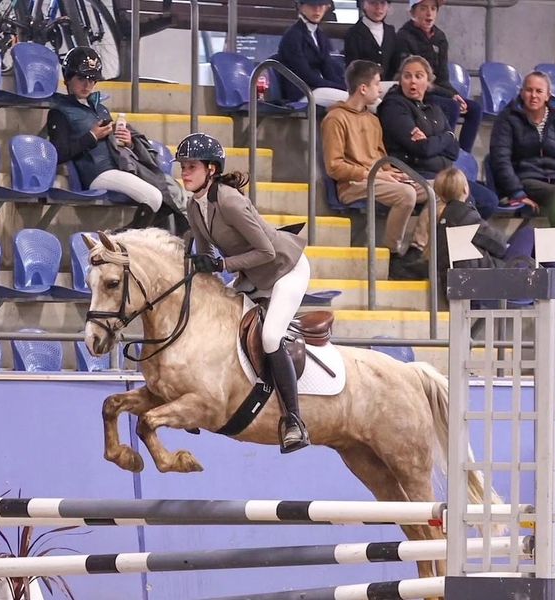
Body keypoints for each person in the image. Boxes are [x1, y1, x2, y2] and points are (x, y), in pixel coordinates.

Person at [175, 133, 311, 454]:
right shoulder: (194, 205)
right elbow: (205, 252)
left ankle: (294, 421)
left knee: (270, 337)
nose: (184, 173)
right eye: (182, 167)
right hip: (252, 274)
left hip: (284, 269)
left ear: (211, 170)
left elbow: (265, 250)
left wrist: (221, 263)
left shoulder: (229, 200)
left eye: (190, 167)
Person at [47, 47, 188, 233]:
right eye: (81, 78)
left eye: (92, 79)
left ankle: (143, 244)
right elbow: (58, 153)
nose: (87, 85)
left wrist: (127, 141)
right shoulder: (59, 111)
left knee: (169, 197)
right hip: (96, 173)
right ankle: (118, 240)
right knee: (153, 197)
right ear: (68, 79)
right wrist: (92, 136)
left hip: (117, 167)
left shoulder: (100, 109)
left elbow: (114, 145)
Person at [321, 60, 427, 279]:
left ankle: (417, 249)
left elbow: (381, 157)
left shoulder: (373, 120)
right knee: (406, 194)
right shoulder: (335, 118)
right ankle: (393, 254)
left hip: (380, 179)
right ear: (363, 88)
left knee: (437, 190)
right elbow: (334, 167)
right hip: (353, 185)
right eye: (377, 84)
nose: (380, 89)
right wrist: (376, 174)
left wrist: (393, 173)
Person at [378, 55, 498, 223]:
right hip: (415, 172)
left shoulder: (434, 108)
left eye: (419, 76)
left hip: (441, 173)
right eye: (407, 76)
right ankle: (445, 242)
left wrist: (436, 140)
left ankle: (451, 240)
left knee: (489, 201)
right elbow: (421, 149)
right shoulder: (394, 107)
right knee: (466, 202)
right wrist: (445, 138)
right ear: (400, 80)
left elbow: (454, 150)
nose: (412, 81)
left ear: (428, 82)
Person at [489, 71, 555, 242]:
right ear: (521, 93)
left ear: (548, 95)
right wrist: (516, 192)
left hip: (554, 176)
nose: (533, 95)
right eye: (528, 90)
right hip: (523, 178)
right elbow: (500, 159)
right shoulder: (508, 117)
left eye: (539, 91)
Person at [434, 167, 533, 304]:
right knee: (528, 233)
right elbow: (499, 245)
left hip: (458, 283)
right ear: (465, 189)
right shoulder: (465, 215)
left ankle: (534, 286)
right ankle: (537, 288)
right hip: (482, 282)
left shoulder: (443, 217)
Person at [395, 0, 482, 153]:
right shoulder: (403, 37)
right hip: (418, 93)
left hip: (436, 90)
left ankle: (463, 154)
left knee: (474, 108)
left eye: (433, 8)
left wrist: (455, 94)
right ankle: (445, 151)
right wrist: (450, 96)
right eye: (423, 8)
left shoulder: (440, 37)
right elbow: (417, 81)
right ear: (413, 12)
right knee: (451, 106)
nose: (429, 13)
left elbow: (443, 78)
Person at [277, 0, 348, 108]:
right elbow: (305, 75)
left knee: (360, 98)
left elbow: (327, 68)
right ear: (301, 7)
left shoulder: (319, 35)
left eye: (321, 5)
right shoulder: (293, 36)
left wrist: (345, 86)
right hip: (302, 91)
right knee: (354, 100)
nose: (317, 10)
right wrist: (338, 87)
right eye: (312, 5)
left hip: (316, 88)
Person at [343, 0, 398, 95]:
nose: (378, 8)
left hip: (388, 88)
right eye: (373, 3)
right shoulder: (353, 34)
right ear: (363, 5)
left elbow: (394, 64)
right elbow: (353, 68)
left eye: (383, 3)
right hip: (364, 89)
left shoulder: (390, 31)